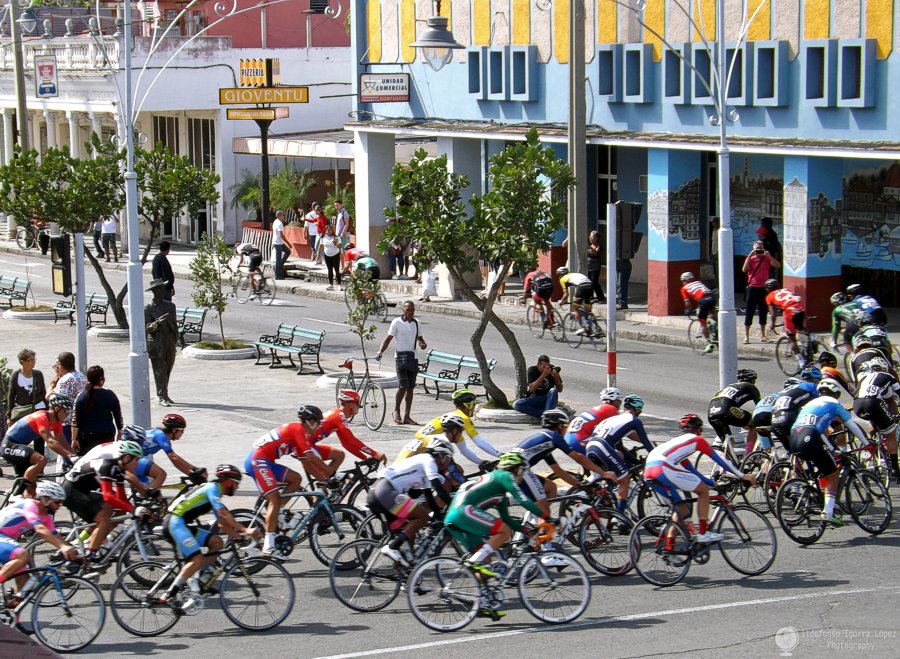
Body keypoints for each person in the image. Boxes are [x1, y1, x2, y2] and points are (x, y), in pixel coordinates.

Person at [644, 414, 756, 544]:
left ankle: (668, 547)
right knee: (703, 491)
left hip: (648, 471)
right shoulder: (697, 440)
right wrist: (742, 475)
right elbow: (721, 461)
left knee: (682, 510)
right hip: (662, 468)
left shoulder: (679, 443)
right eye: (701, 430)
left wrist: (710, 482)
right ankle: (703, 533)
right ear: (698, 430)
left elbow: (692, 470)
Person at [160, 464, 258, 610]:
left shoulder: (215, 492)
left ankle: (199, 580)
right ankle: (170, 594)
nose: (237, 488)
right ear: (228, 481)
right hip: (174, 523)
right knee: (197, 559)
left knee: (216, 542)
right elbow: (224, 514)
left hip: (182, 524)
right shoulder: (212, 489)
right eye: (236, 484)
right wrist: (246, 530)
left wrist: (239, 537)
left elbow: (222, 524)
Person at [445, 451, 546, 589]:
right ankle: (474, 561)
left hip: (453, 516)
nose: (522, 476)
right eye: (522, 471)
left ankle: (482, 602)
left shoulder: (498, 490)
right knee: (504, 531)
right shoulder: (504, 475)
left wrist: (527, 530)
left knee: (485, 561)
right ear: (516, 469)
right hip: (464, 512)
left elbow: (507, 519)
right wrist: (547, 518)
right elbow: (522, 500)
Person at [244, 405, 331, 555]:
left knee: (296, 478)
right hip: (257, 461)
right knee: (275, 500)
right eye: (317, 422)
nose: (318, 426)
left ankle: (278, 513)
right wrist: (330, 472)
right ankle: (268, 544)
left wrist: (324, 480)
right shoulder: (298, 429)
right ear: (310, 421)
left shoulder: (300, 435)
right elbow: (311, 456)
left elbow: (306, 463)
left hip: (267, 462)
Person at [790, 380, 873, 525]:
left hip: (794, 437)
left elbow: (819, 432)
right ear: (835, 394)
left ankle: (813, 491)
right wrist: (867, 444)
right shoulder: (834, 404)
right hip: (811, 436)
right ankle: (828, 512)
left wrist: (832, 449)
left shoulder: (810, 404)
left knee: (822, 468)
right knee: (833, 475)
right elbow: (851, 425)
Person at [368, 437, 455, 566]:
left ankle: (407, 575)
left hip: (376, 492)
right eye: (448, 458)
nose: (448, 462)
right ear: (441, 454)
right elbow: (440, 490)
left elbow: (429, 497)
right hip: (386, 491)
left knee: (410, 531)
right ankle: (392, 547)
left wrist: (438, 517)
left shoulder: (423, 466)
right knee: (422, 517)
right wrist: (455, 506)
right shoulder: (428, 460)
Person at [62, 439, 145, 561]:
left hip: (84, 490)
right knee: (103, 521)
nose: (137, 464)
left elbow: (122, 498)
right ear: (127, 457)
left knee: (114, 510)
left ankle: (92, 543)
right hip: (71, 491)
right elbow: (108, 496)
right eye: (136, 460)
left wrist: (139, 511)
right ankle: (90, 558)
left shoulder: (117, 470)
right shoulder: (107, 466)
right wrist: (133, 509)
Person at [513, 410, 601, 517]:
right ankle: (538, 521)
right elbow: (579, 458)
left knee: (551, 488)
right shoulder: (554, 437)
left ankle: (535, 517)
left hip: (516, 467)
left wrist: (579, 486)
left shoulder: (545, 441)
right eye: (564, 426)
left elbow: (557, 470)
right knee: (545, 513)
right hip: (519, 470)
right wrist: (603, 473)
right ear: (559, 426)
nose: (565, 430)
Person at [0, 482, 78, 601]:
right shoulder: (30, 505)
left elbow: (56, 536)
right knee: (22, 555)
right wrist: (63, 547)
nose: (59, 506)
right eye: (57, 502)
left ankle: (9, 614)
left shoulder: (45, 516)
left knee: (24, 584)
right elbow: (40, 529)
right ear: (45, 499)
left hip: (5, 539)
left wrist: (76, 553)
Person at [585, 395, 654, 518]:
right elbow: (646, 443)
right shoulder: (634, 420)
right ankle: (620, 518)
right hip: (602, 446)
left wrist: (632, 459)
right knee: (624, 479)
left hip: (590, 446)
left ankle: (588, 494)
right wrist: (656, 455)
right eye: (640, 408)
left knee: (611, 473)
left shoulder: (615, 419)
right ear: (637, 409)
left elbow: (619, 445)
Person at [400, 392, 500, 468]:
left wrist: (481, 462)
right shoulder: (462, 418)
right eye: (473, 404)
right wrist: (500, 455)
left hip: (419, 446)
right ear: (467, 405)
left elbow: (464, 449)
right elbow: (479, 441)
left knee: (457, 470)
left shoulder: (455, 424)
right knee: (453, 475)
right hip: (425, 449)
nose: (474, 408)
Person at [1, 393, 74, 496]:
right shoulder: (42, 417)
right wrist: (69, 456)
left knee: (31, 489)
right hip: (9, 445)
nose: (67, 414)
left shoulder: (57, 422)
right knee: (41, 460)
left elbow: (63, 443)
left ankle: (19, 504)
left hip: (20, 447)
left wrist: (76, 456)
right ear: (56, 408)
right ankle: (17, 495)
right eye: (65, 411)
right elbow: (50, 441)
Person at [376, 300, 427, 425]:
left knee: (410, 388)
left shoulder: (417, 323)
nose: (410, 312)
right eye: (408, 310)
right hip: (400, 358)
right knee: (403, 386)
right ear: (403, 310)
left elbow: (420, 338)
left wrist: (422, 343)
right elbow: (388, 338)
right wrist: (380, 351)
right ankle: (396, 410)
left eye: (412, 310)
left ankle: (407, 416)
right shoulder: (396, 322)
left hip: (412, 358)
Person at [314, 390, 386, 475]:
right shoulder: (340, 416)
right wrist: (375, 454)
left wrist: (365, 458)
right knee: (333, 467)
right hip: (305, 447)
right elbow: (352, 440)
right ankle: (324, 484)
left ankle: (324, 483)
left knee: (339, 456)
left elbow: (347, 444)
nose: (358, 406)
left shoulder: (337, 414)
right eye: (357, 403)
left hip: (307, 445)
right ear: (350, 404)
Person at [852, 361, 900, 479]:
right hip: (872, 402)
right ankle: (895, 469)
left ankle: (874, 444)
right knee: (891, 434)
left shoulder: (865, 378)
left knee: (873, 420)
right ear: (884, 368)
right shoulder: (888, 376)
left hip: (857, 405)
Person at [706, 368, 761, 452]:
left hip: (711, 414)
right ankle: (748, 456)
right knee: (753, 425)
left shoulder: (728, 387)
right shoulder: (751, 387)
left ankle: (729, 463)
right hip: (727, 410)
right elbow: (760, 406)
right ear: (752, 380)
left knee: (729, 442)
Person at [769, 366, 822, 451]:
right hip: (788, 418)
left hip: (774, 420)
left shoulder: (795, 388)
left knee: (793, 452)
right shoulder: (813, 387)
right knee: (810, 443)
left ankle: (792, 464)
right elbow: (821, 405)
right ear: (816, 380)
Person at [47, 351, 87, 463]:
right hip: (83, 422)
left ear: (61, 364)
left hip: (66, 423)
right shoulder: (83, 378)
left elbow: (56, 402)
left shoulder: (64, 381)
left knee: (67, 455)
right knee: (80, 455)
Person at [143, 414, 207, 482]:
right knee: (161, 475)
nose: (183, 433)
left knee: (145, 484)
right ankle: (149, 492)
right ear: (174, 430)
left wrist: (191, 474)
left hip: (134, 459)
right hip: (132, 458)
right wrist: (195, 469)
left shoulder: (164, 438)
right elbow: (173, 457)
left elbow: (175, 462)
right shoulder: (160, 435)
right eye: (182, 430)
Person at [145, 278, 179, 407]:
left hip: (169, 340)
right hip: (156, 341)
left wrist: (176, 339)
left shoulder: (170, 306)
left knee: (167, 369)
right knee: (159, 370)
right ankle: (161, 396)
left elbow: (175, 325)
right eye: (158, 289)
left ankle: (165, 393)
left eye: (162, 288)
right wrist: (157, 323)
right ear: (154, 291)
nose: (161, 291)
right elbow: (146, 327)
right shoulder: (148, 308)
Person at [563, 387, 624, 454]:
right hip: (579, 439)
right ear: (615, 401)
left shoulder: (597, 409)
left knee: (592, 463)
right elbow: (618, 437)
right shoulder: (611, 409)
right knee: (618, 455)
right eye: (619, 402)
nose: (619, 405)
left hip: (568, 438)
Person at [741, 240, 780, 343]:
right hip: (752, 288)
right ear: (753, 248)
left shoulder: (766, 259)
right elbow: (744, 269)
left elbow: (777, 265)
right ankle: (746, 336)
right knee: (749, 312)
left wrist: (769, 256)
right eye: (757, 248)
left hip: (764, 288)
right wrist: (749, 256)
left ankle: (763, 335)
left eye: (761, 248)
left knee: (763, 311)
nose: (759, 250)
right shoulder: (751, 259)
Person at [5, 349, 47, 442]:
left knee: (40, 436)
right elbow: (11, 396)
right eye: (30, 360)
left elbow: (43, 393)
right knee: (22, 436)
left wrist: (48, 411)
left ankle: (40, 455)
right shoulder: (16, 375)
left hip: (38, 408)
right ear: (22, 362)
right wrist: (9, 416)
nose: (33, 362)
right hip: (22, 410)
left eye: (34, 359)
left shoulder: (38, 374)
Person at [765, 280, 807, 365]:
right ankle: (810, 342)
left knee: (792, 339)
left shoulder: (769, 296)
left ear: (768, 289)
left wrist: (772, 324)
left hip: (789, 310)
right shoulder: (786, 290)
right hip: (800, 306)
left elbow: (773, 314)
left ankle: (802, 363)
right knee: (800, 327)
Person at [512, 354, 564, 419]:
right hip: (536, 398)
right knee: (516, 404)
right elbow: (532, 389)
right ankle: (544, 415)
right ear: (538, 365)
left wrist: (556, 378)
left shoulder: (551, 370)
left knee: (553, 390)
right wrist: (543, 375)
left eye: (547, 366)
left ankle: (547, 415)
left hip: (548, 399)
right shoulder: (532, 370)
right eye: (543, 367)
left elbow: (560, 389)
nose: (546, 369)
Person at [680, 272, 717, 353]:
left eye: (683, 281)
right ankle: (715, 328)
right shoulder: (699, 282)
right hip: (712, 297)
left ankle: (709, 343)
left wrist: (688, 310)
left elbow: (688, 303)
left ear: (686, 280)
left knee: (702, 322)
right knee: (712, 315)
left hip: (703, 301)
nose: (683, 283)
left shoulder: (684, 288)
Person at [557, 266, 600, 336]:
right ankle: (596, 329)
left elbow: (566, 294)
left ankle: (583, 328)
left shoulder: (562, 279)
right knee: (587, 311)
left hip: (582, 287)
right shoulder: (574, 274)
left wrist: (561, 301)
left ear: (560, 275)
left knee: (575, 308)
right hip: (590, 286)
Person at [318, 224, 343, 290]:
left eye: (330, 230)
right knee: (330, 270)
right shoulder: (323, 237)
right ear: (325, 231)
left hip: (335, 255)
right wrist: (319, 255)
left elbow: (340, 246)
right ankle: (331, 285)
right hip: (327, 255)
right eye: (328, 230)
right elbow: (321, 247)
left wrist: (336, 244)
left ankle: (339, 285)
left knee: (337, 270)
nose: (329, 231)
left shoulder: (336, 237)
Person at [586, 230, 606, 304]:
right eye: (590, 236)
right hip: (588, 266)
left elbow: (596, 252)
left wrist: (589, 246)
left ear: (597, 238)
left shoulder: (598, 246)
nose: (590, 238)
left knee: (595, 283)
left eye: (592, 236)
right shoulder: (590, 245)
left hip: (595, 267)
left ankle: (601, 297)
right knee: (588, 282)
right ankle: (590, 296)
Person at [271, 210, 290, 280]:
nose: (284, 217)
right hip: (278, 243)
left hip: (278, 242)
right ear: (279, 216)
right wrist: (288, 243)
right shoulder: (279, 223)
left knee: (288, 252)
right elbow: (281, 235)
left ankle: (279, 266)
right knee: (278, 259)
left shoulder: (275, 221)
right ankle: (277, 275)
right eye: (283, 215)